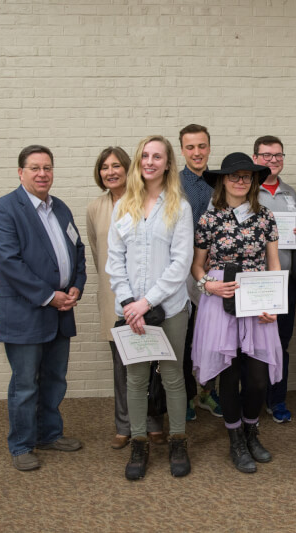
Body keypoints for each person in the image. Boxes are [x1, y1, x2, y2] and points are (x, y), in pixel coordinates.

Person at [0, 145, 86, 471]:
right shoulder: (2, 210)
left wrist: (76, 287)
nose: (42, 174)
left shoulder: (61, 209)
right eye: (35, 168)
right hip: (26, 313)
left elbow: (78, 252)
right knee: (26, 383)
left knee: (55, 378)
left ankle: (50, 434)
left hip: (61, 310)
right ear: (20, 172)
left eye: (47, 168)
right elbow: (9, 263)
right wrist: (48, 296)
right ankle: (22, 445)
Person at [106, 135, 193, 480]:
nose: (150, 162)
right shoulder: (123, 205)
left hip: (169, 308)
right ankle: (139, 442)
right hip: (131, 310)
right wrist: (129, 302)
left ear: (168, 163)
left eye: (158, 157)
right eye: (145, 155)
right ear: (138, 162)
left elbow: (180, 263)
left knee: (172, 378)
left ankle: (177, 440)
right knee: (136, 379)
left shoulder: (179, 207)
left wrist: (146, 301)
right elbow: (115, 260)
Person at [190, 152, 283, 473]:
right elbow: (197, 265)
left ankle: (251, 430)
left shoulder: (265, 217)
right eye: (234, 176)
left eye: (247, 176)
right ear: (222, 181)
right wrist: (207, 286)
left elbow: (274, 263)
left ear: (254, 181)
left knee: (257, 378)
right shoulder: (209, 218)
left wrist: (274, 303)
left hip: (258, 299)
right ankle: (235, 439)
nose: (241, 181)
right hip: (221, 300)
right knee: (228, 374)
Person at [86, 147, 166, 450]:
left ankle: (154, 422)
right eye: (104, 167)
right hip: (114, 296)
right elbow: (98, 253)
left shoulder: (146, 200)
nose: (111, 172)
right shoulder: (95, 208)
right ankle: (125, 425)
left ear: (128, 168)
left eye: (116, 165)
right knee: (122, 363)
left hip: (148, 297)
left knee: (152, 359)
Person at [253, 135, 296, 423]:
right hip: (253, 283)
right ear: (255, 159)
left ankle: (277, 400)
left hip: (284, 282)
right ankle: (252, 399)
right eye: (266, 155)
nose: (272, 160)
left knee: (280, 342)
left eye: (278, 155)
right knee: (250, 343)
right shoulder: (246, 190)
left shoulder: (290, 194)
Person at [178, 124, 222, 419]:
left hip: (214, 270)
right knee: (185, 334)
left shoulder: (220, 182)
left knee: (212, 334)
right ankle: (187, 395)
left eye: (202, 146)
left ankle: (208, 391)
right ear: (182, 150)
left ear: (209, 147)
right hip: (182, 271)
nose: (197, 152)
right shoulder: (173, 183)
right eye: (190, 147)